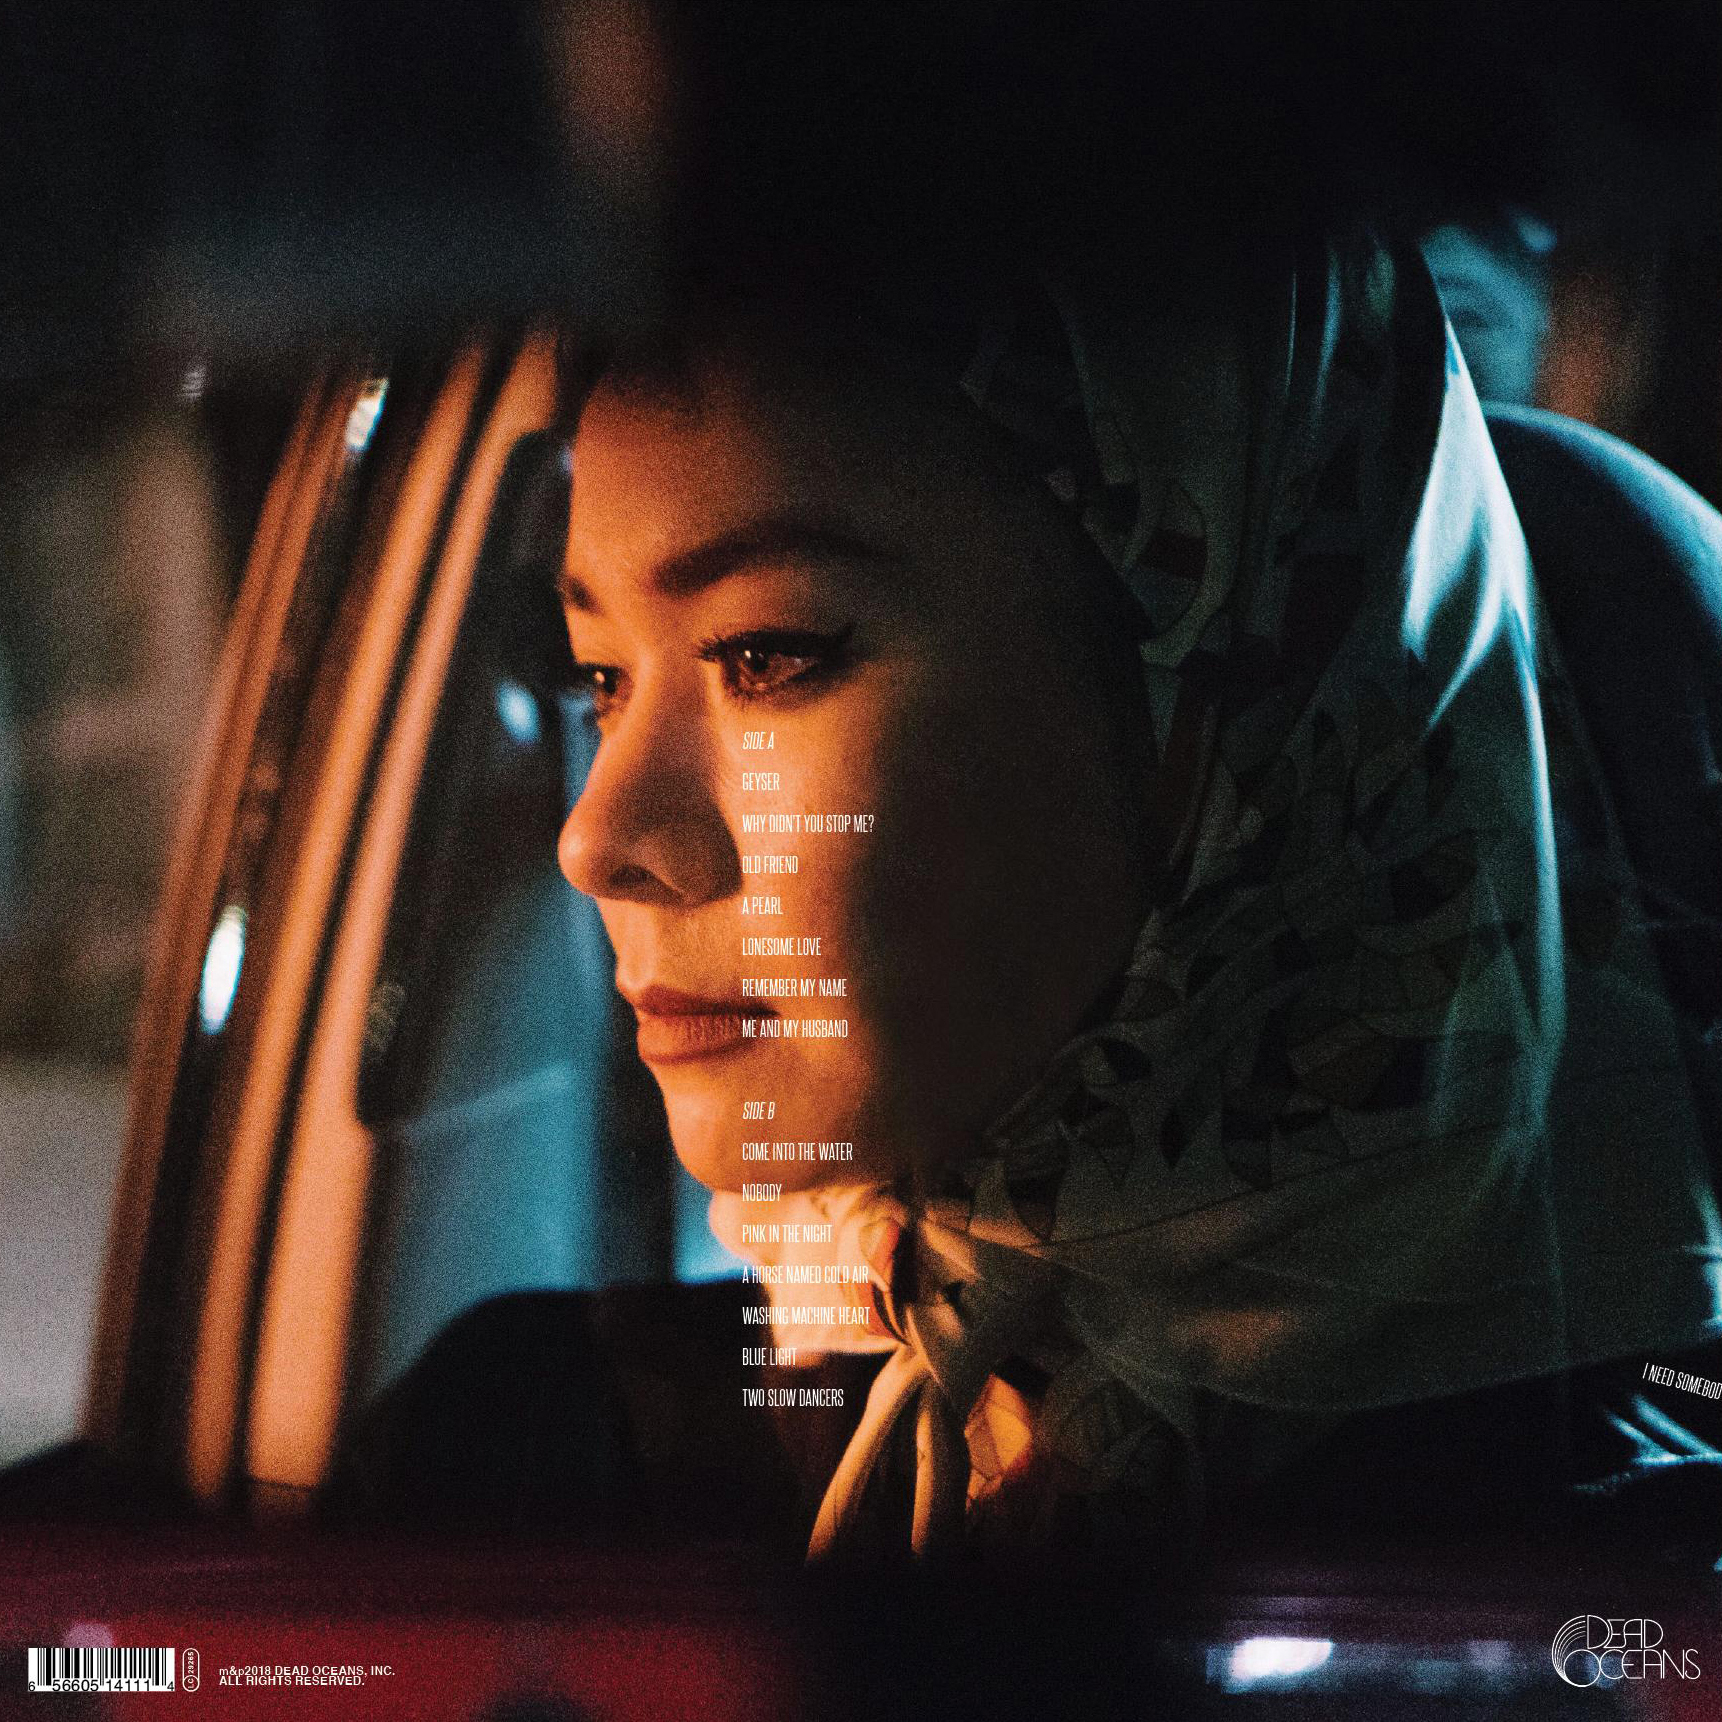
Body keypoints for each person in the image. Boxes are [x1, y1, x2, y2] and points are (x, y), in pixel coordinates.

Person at [554, 221, 1722, 1568]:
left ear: (1228, 715)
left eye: (765, 653)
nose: (598, 838)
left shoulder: (1616, 1576)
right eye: (600, 678)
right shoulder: (526, 1444)